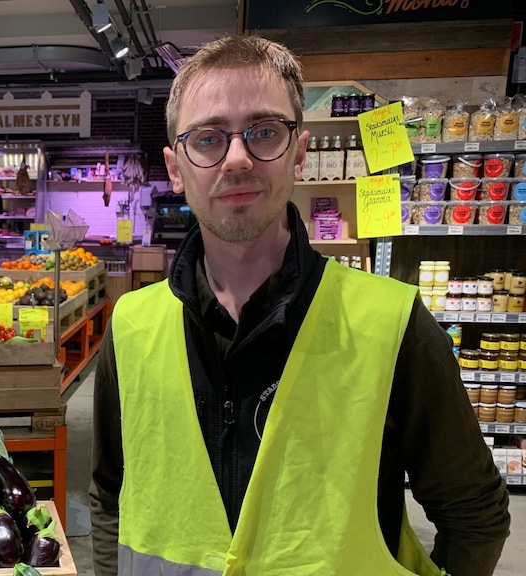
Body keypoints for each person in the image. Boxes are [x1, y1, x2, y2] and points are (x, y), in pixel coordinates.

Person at [90, 35, 509, 576]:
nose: (237, 157)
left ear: (301, 153)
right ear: (176, 168)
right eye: (208, 139)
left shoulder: (393, 326)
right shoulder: (130, 326)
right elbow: (107, 496)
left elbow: (474, 513)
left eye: (264, 132)